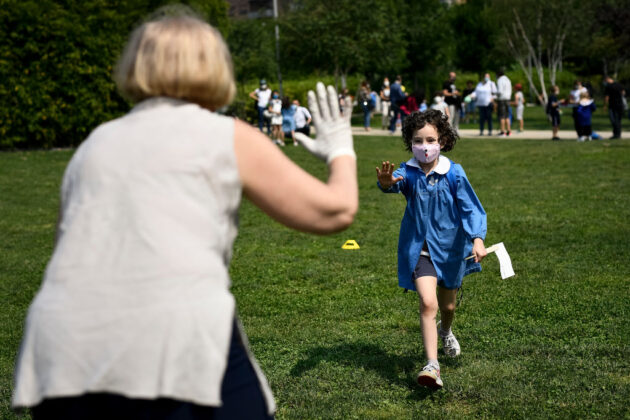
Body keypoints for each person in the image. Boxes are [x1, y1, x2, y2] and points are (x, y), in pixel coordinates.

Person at [12, 13, 358, 420]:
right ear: (215, 67)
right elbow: (336, 209)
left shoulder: (95, 142)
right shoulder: (224, 134)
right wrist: (340, 149)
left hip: (61, 344)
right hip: (173, 329)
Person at [376, 109, 487, 390]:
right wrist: (386, 183)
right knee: (428, 303)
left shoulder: (454, 173)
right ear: (410, 143)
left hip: (451, 251)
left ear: (443, 140)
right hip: (420, 250)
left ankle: (446, 330)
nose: (424, 147)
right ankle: (432, 365)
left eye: (430, 140)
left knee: (447, 305)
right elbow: (394, 183)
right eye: (417, 141)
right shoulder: (408, 171)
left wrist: (477, 238)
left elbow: (470, 208)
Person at [496, 69, 512, 137]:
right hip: (508, 99)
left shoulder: (500, 80)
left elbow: (500, 91)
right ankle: (509, 131)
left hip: (502, 99)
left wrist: (494, 94)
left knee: (502, 116)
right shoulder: (508, 79)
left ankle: (503, 132)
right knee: (507, 115)